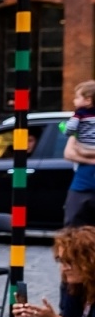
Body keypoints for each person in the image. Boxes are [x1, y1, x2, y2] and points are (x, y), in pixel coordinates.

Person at [64, 81, 95, 227]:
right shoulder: (80, 124)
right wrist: (91, 160)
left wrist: (83, 152)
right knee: (72, 227)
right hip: (82, 184)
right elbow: (69, 153)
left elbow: (78, 151)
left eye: (77, 97)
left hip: (83, 183)